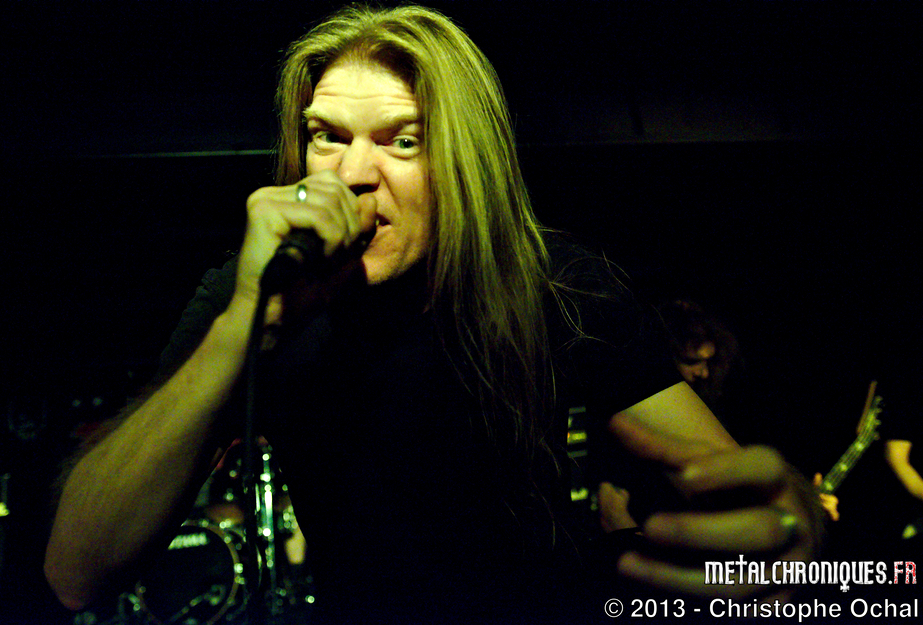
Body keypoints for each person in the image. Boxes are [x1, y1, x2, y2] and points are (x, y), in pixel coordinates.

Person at [44, 5, 822, 624]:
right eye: (326, 137)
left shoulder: (554, 282)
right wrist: (250, 322)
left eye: (403, 141)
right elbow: (75, 570)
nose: (353, 173)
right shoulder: (251, 294)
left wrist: (788, 524)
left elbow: (733, 486)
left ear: (461, 162)